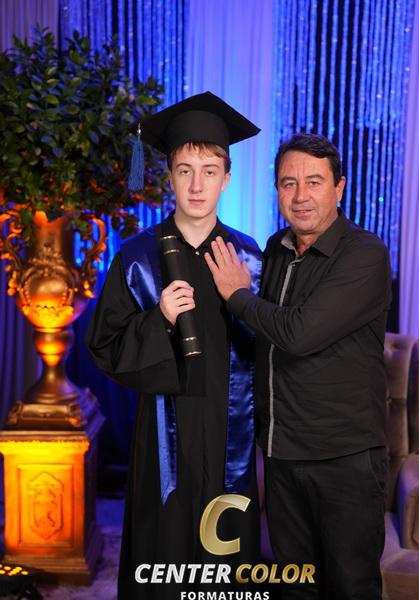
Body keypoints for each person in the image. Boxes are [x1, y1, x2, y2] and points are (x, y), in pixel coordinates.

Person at [86, 92, 262, 600]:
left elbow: (272, 347)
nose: (197, 184)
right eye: (185, 171)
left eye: (209, 171)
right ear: (169, 176)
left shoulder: (249, 258)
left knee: (226, 561)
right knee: (163, 559)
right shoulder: (137, 258)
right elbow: (104, 346)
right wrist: (158, 320)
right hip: (164, 437)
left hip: (231, 432)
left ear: (227, 178)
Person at [205, 132, 392, 599]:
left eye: (314, 182)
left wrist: (237, 296)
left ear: (339, 188)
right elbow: (262, 338)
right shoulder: (276, 249)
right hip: (282, 454)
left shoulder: (364, 254)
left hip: (344, 458)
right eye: (289, 183)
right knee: (294, 584)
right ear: (277, 190)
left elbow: (299, 333)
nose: (301, 195)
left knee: (351, 586)